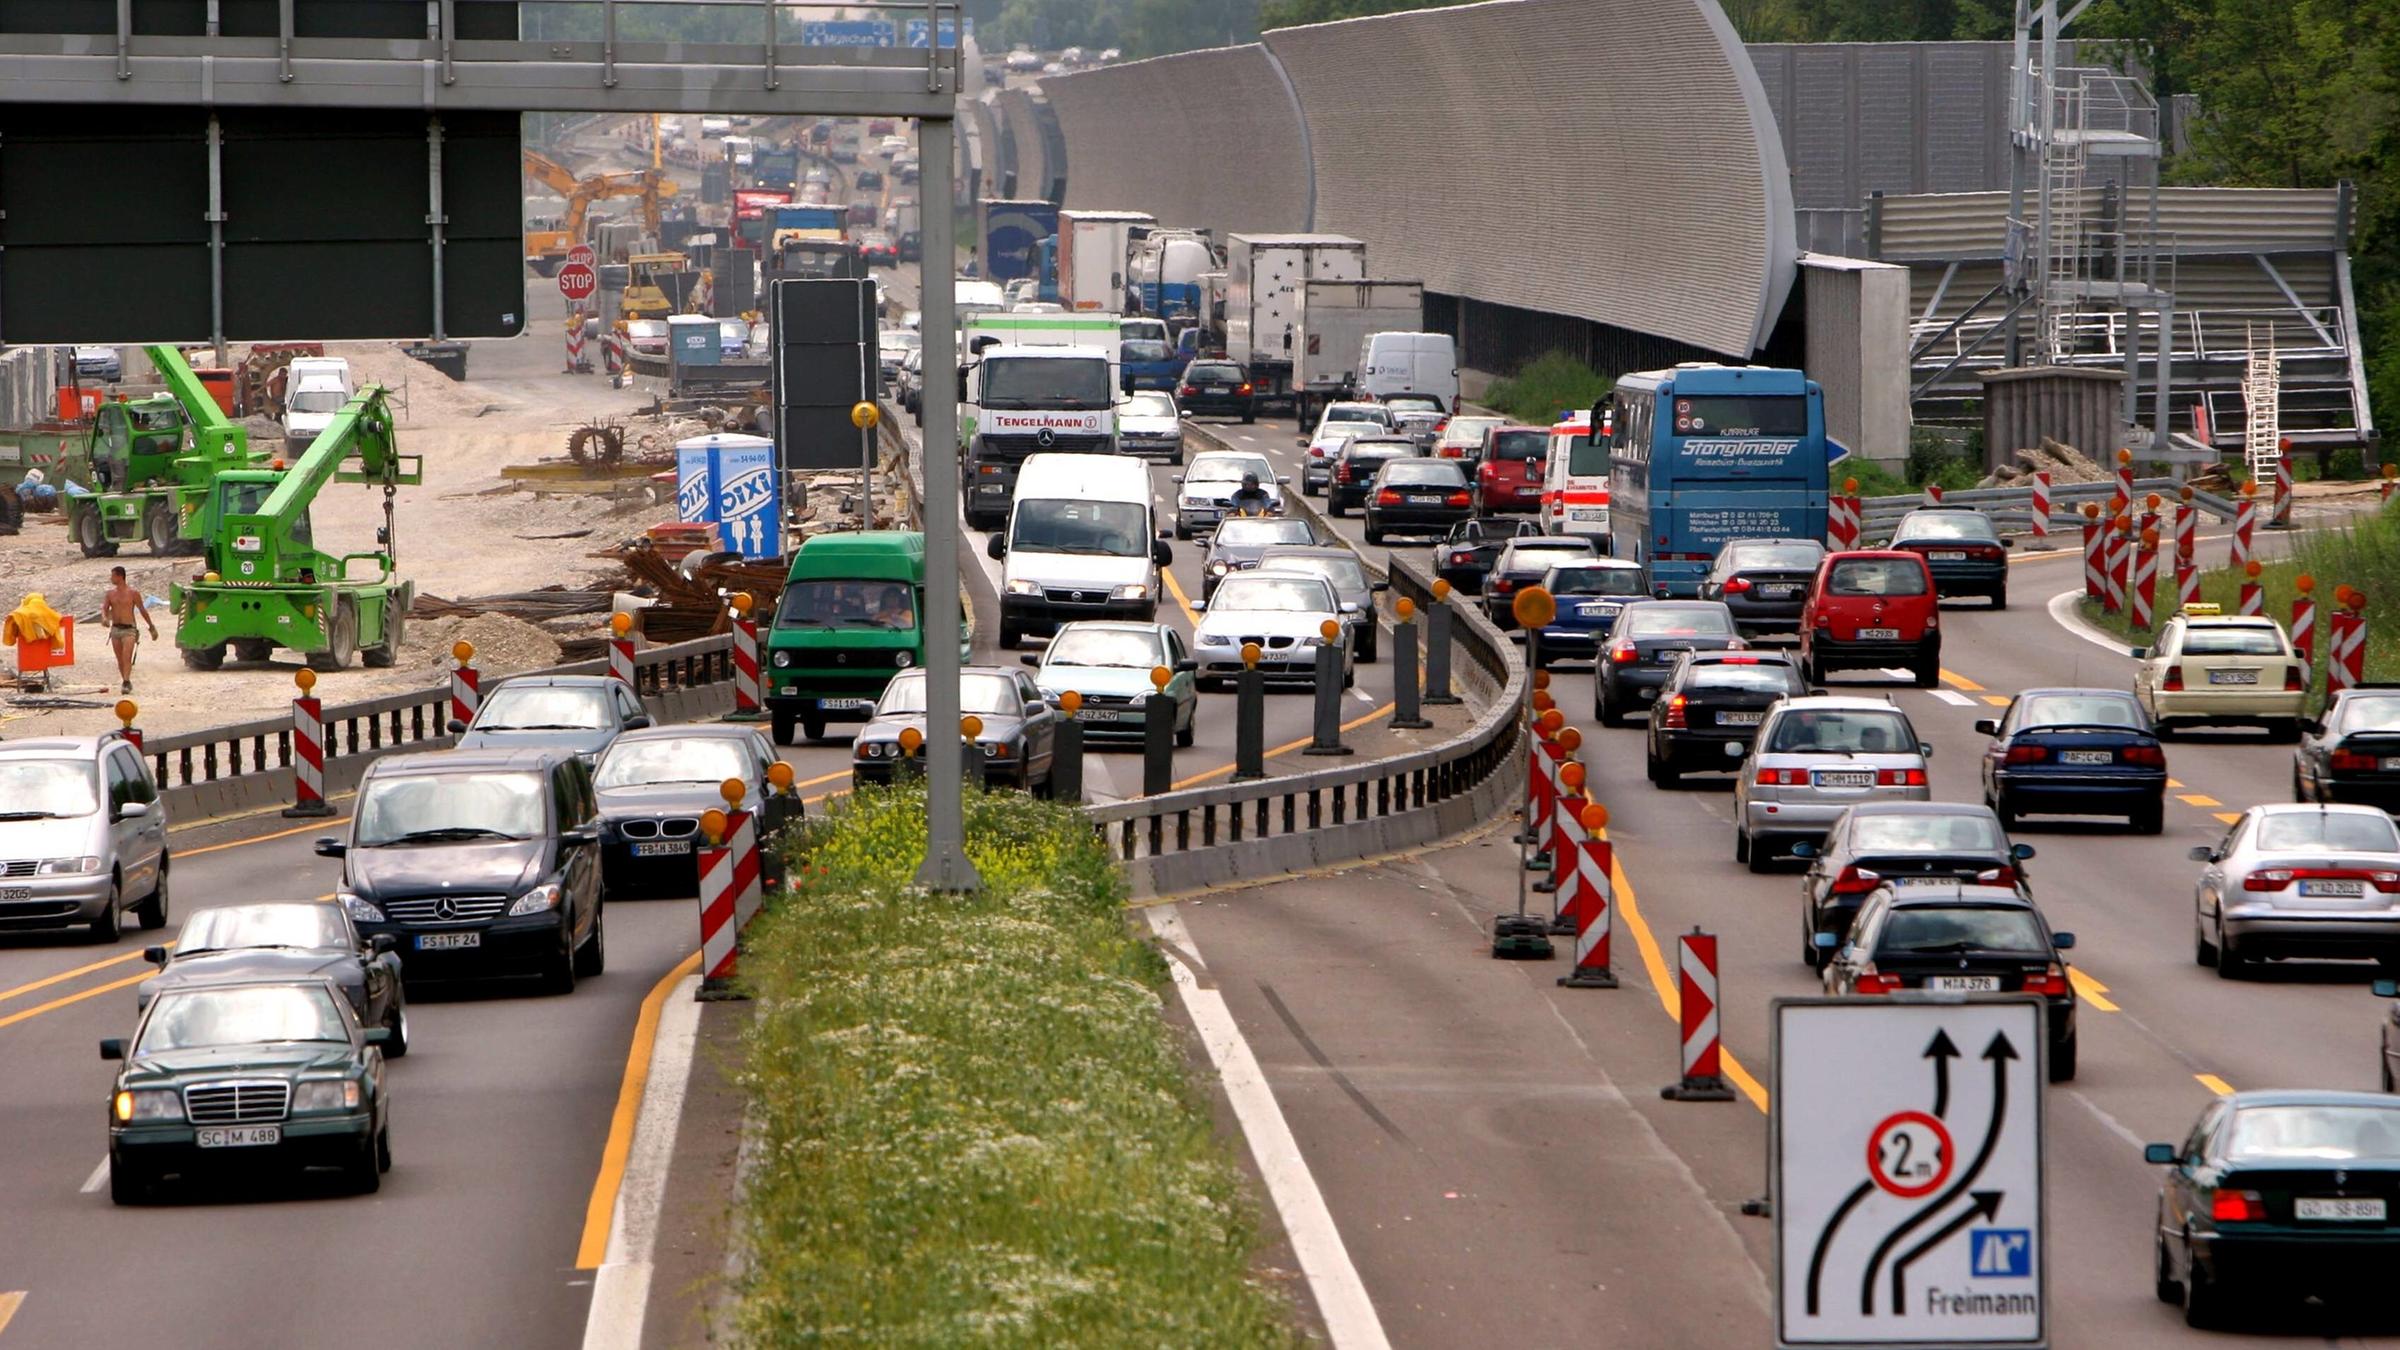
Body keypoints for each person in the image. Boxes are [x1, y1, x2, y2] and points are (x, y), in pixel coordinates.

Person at [102, 565, 157, 695]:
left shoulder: (133, 593)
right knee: (120, 659)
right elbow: (104, 608)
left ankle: (126, 682)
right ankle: (125, 680)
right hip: (116, 629)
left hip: (129, 629)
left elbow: (142, 610)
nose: (111, 578)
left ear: (120, 576)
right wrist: (104, 618)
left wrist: (151, 626)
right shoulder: (110, 594)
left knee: (127, 657)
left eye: (113, 575)